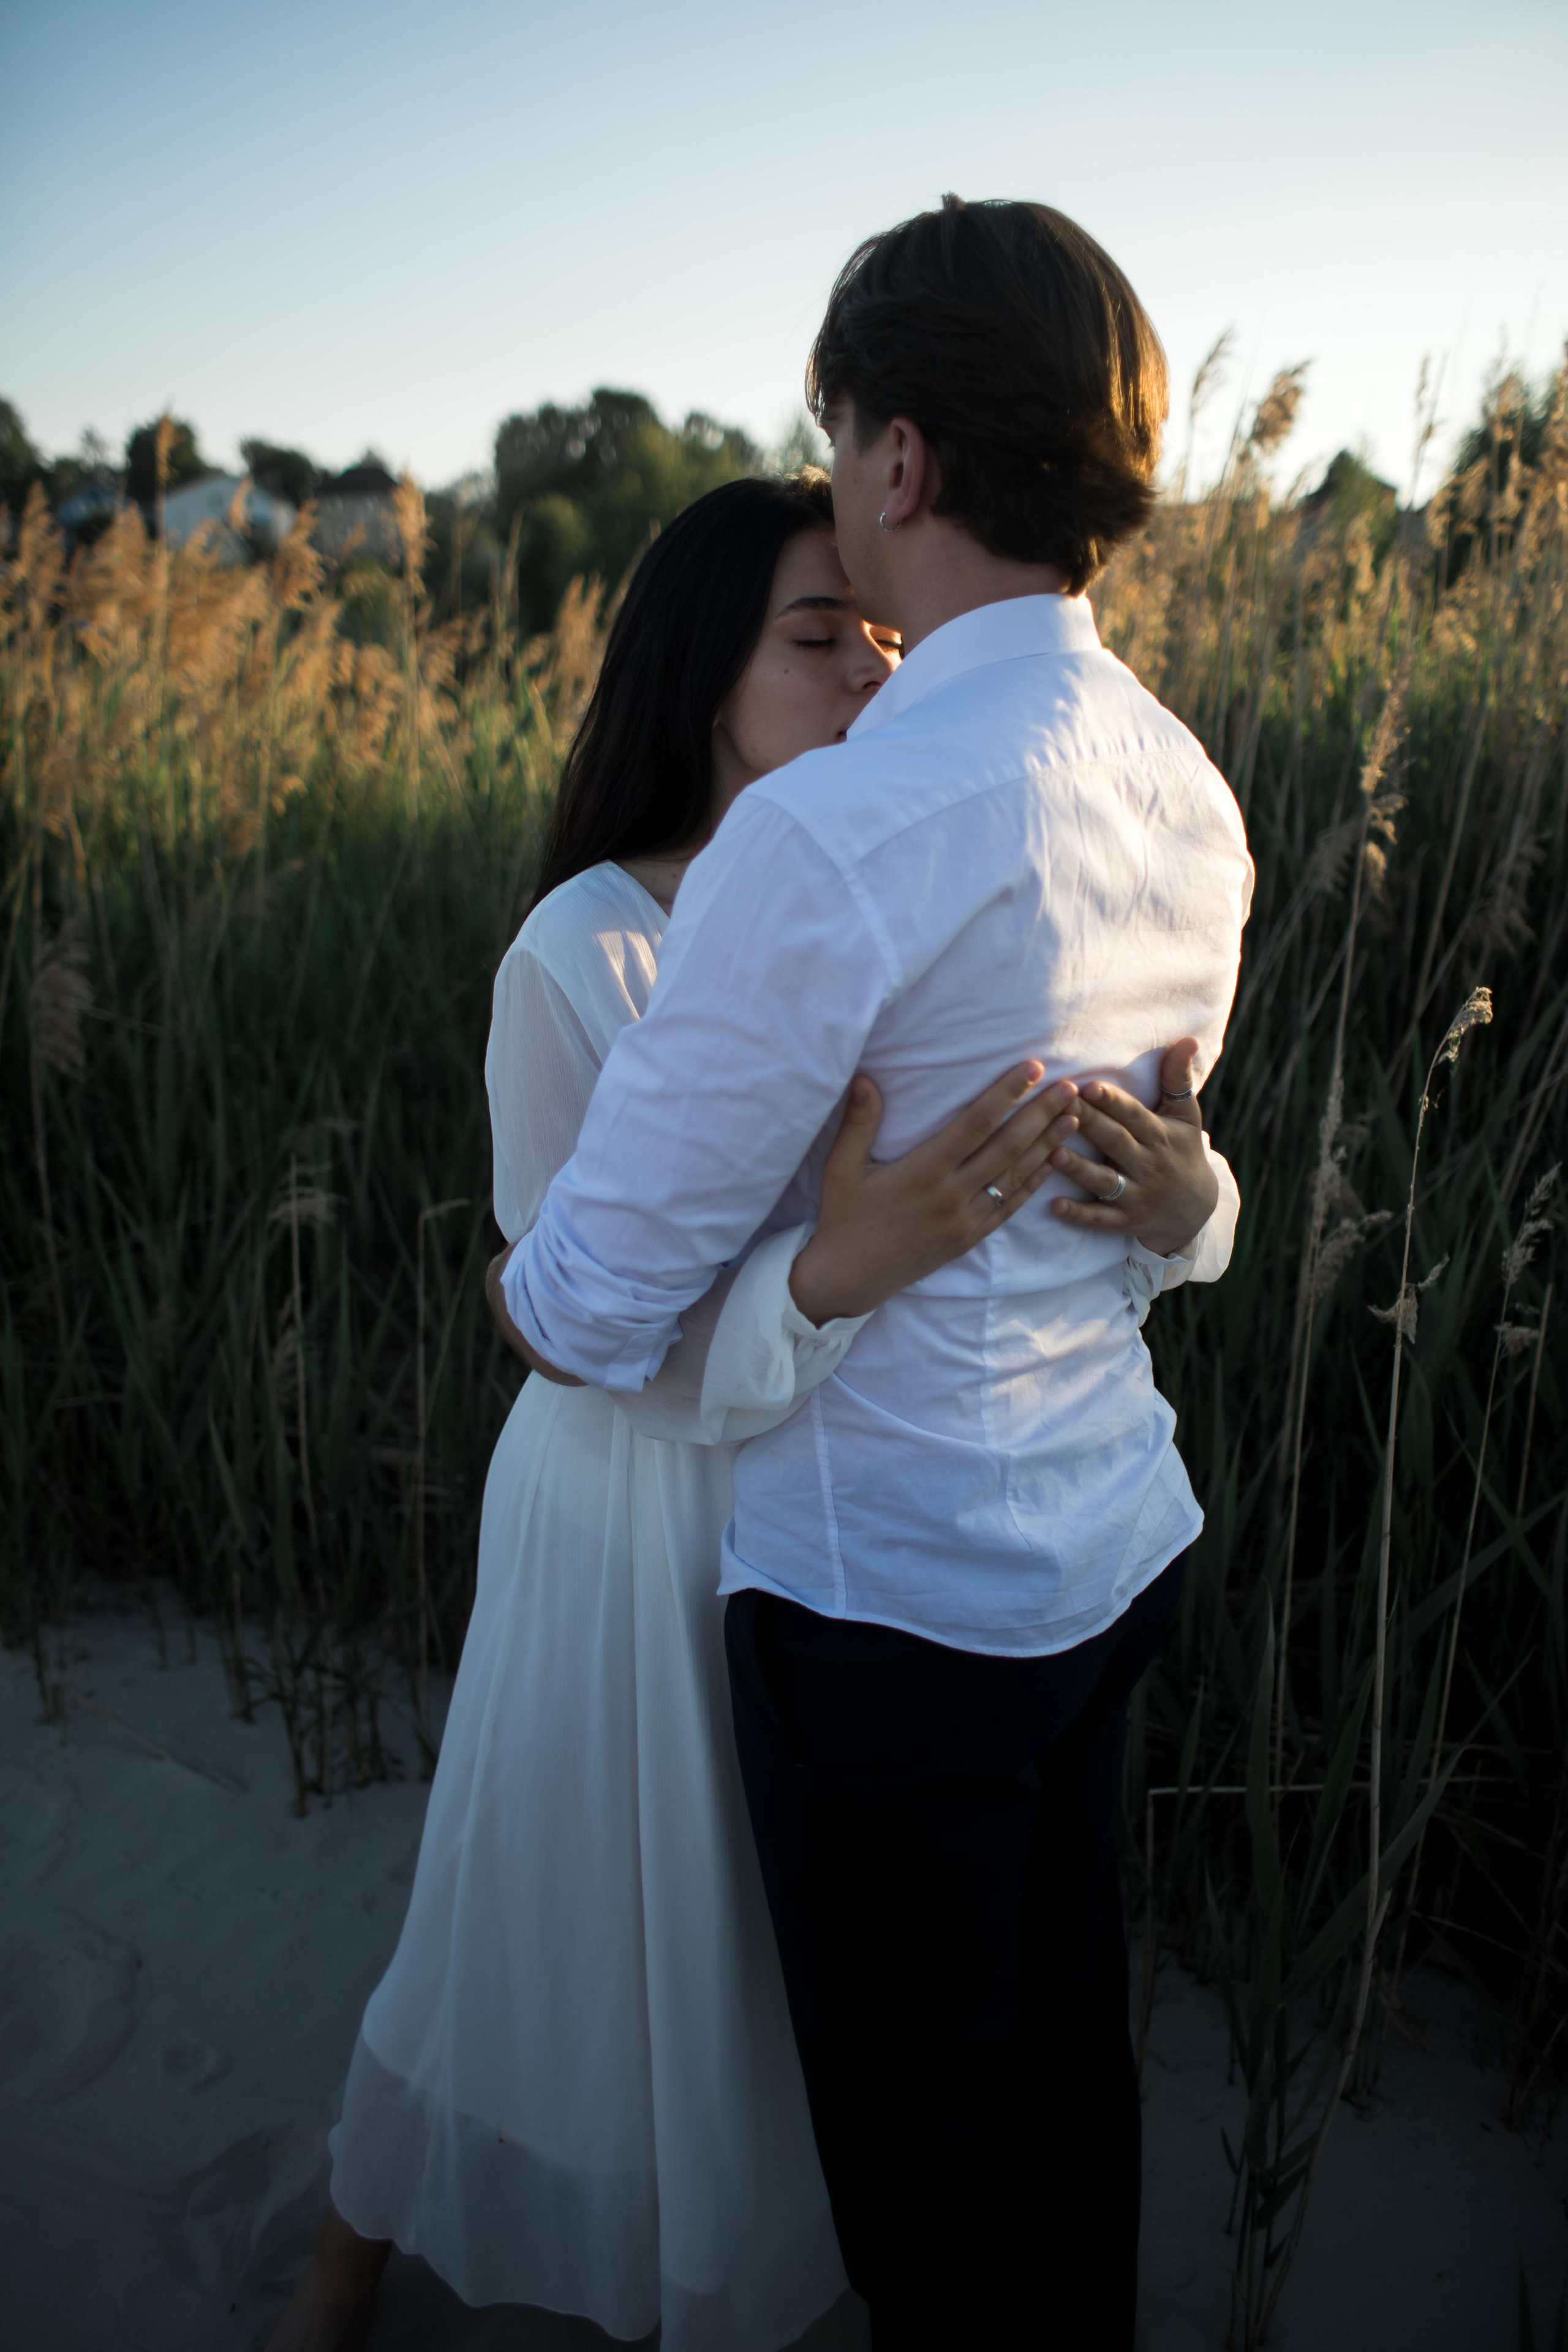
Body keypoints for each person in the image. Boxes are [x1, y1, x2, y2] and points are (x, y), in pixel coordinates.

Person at [270, 472, 1235, 2351]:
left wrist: (1187, 1204)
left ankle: (739, 2276)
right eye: (817, 641)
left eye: (882, 635)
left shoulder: (917, 872)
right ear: (701, 671)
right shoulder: (583, 948)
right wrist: (826, 1273)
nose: (870, 673)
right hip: (632, 1509)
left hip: (823, 1521)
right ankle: (340, 2267)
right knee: (521, 1915)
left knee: (747, 1986)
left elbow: (1073, 1229)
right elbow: (570, 1319)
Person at [501, 199, 1254, 2351]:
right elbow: (1155, 1203)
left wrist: (776, 1256)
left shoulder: (823, 840)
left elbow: (583, 1308)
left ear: (900, 461)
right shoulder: (1190, 796)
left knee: (927, 2210)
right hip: (1109, 1551)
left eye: (837, 439)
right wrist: (1186, 1205)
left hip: (894, 1608)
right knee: (1066, 2123)